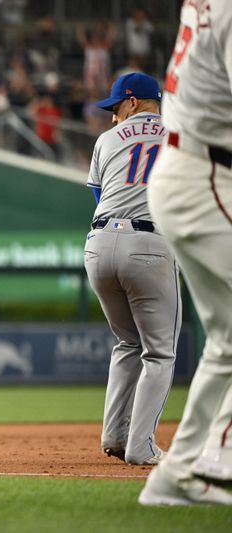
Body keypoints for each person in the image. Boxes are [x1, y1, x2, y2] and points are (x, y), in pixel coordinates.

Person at [138, 1, 232, 506]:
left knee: (226, 340)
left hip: (189, 172)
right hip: (209, 176)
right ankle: (218, 462)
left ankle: (178, 475)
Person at [84, 72, 178, 466]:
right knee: (159, 353)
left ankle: (114, 436)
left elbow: (98, 193)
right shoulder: (179, 135)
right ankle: (141, 445)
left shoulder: (107, 140)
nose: (112, 116)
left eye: (116, 106)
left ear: (134, 102)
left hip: (98, 245)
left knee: (127, 343)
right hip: (149, 243)